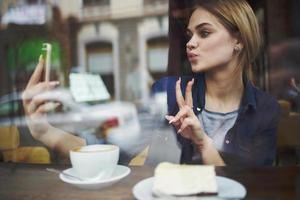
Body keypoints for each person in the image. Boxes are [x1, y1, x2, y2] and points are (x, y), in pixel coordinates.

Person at [159, 0, 280, 166]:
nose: (190, 43)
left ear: (238, 41)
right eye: (190, 35)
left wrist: (202, 142)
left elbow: (252, 186)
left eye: (204, 33)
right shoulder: (170, 93)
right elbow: (154, 171)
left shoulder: (266, 109)